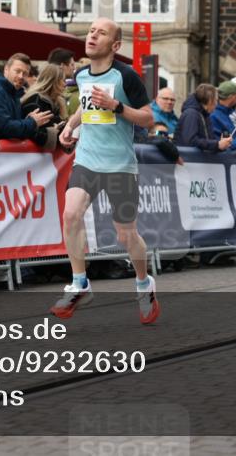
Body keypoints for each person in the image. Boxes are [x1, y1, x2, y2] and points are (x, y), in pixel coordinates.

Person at [52, 18, 159, 325]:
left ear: (115, 46)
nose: (92, 35)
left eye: (101, 33)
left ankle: (143, 283)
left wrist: (116, 106)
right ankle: (79, 283)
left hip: (120, 166)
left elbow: (149, 119)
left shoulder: (127, 76)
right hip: (87, 160)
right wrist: (70, 127)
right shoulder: (82, 73)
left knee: (126, 234)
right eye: (90, 31)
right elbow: (84, 108)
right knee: (71, 213)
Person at [0, 53, 53, 140]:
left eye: (25, 73)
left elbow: (12, 125)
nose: (21, 76)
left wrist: (27, 120)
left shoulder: (14, 93)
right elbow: (6, 128)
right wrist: (32, 122)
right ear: (6, 70)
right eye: (17, 71)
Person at [22, 63, 68, 150]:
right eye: (63, 80)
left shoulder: (57, 102)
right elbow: (33, 132)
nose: (65, 84)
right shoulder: (35, 101)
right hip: (32, 158)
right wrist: (56, 131)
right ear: (54, 81)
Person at [175, 84, 234, 152]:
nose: (216, 104)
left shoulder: (204, 115)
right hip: (189, 160)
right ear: (210, 101)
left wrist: (221, 144)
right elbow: (190, 141)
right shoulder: (191, 114)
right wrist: (217, 144)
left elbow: (208, 140)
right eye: (215, 100)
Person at [47, 47, 79, 115]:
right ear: (62, 66)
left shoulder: (49, 87)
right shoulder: (53, 92)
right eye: (72, 65)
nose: (74, 68)